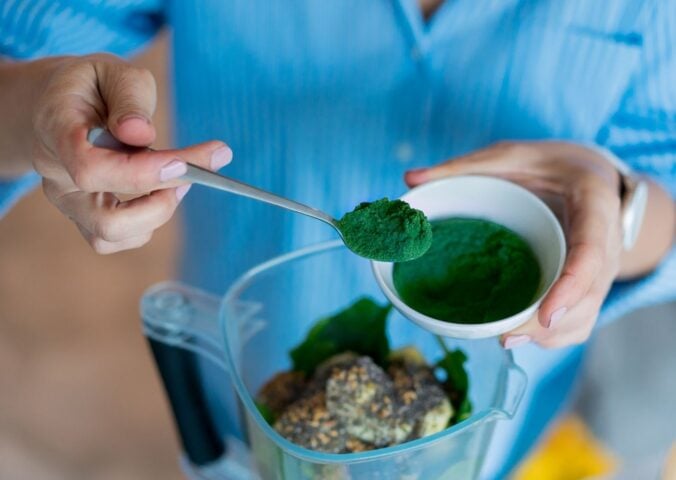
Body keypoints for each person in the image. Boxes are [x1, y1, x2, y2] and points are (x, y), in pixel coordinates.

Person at [1, 1, 674, 477]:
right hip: (249, 398)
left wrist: (621, 209)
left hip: (502, 438)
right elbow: (24, 55)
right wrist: (34, 114)